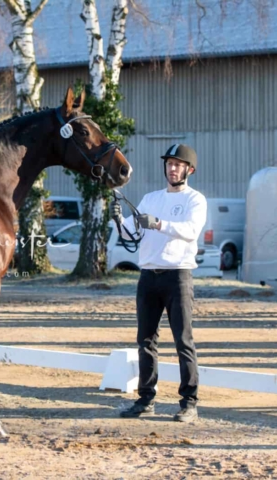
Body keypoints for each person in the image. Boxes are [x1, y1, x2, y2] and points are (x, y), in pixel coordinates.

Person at [110, 144, 207, 423]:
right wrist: (119, 219)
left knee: (183, 341)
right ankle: (145, 398)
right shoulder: (150, 198)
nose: (172, 169)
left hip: (178, 276)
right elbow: (132, 230)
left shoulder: (195, 200)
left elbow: (190, 232)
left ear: (189, 170)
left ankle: (189, 402)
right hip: (148, 276)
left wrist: (159, 224)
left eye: (178, 165)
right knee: (146, 341)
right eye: (169, 164)